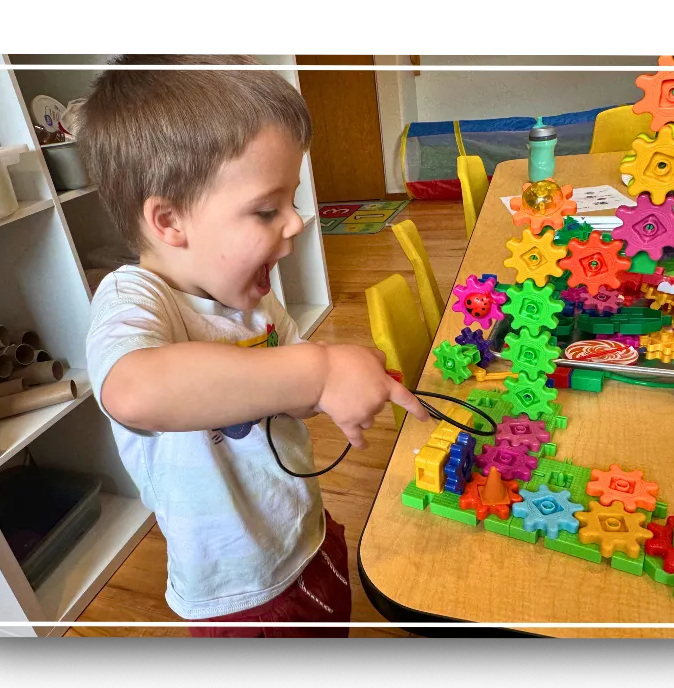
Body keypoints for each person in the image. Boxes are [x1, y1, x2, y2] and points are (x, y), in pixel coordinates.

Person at [79, 53, 429, 638]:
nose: (294, 223)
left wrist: (343, 381)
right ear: (169, 221)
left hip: (306, 535)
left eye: (290, 200)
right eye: (267, 209)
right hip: (237, 596)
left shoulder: (251, 296)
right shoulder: (135, 301)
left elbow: (290, 395)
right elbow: (134, 390)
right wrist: (316, 370)